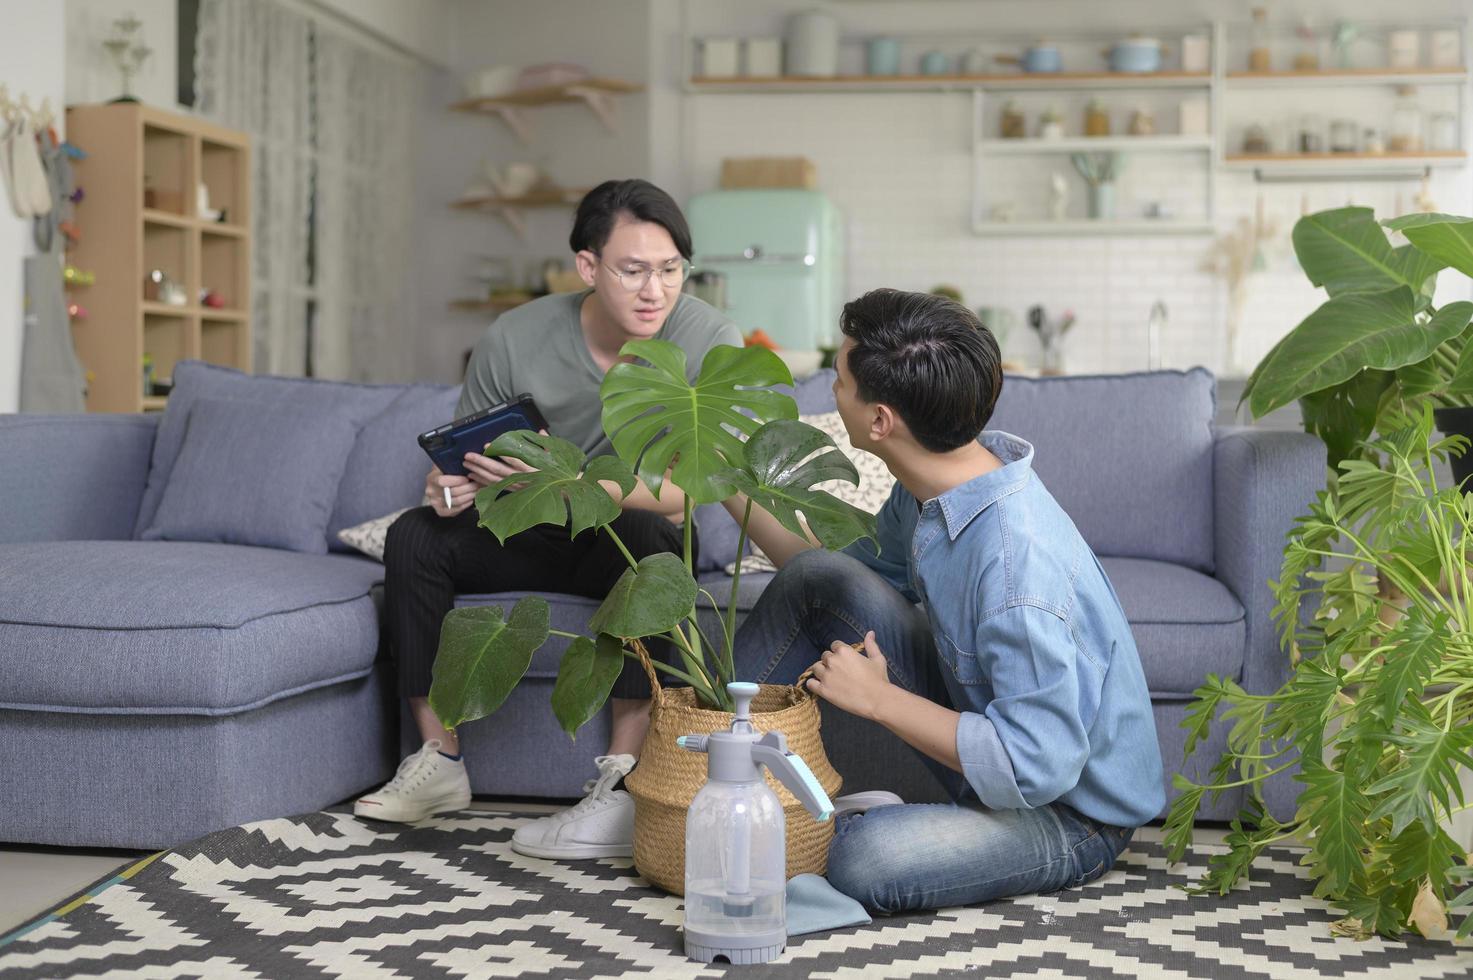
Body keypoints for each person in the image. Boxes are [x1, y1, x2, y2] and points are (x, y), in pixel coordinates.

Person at [728, 288, 1165, 912]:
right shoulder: (935, 485)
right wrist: (723, 480)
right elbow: (833, 572)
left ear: (880, 421)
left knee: (864, 859)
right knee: (819, 578)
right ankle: (700, 776)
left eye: (841, 378)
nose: (831, 387)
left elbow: (1037, 766)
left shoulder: (1018, 569)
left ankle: (869, 826)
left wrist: (880, 699)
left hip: (1067, 815)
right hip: (1002, 747)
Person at [355, 180, 742, 859]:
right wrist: (449, 490)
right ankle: (439, 759)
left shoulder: (707, 337)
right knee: (414, 536)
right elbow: (467, 461)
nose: (655, 290)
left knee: (651, 542)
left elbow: (692, 486)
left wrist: (575, 481)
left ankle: (620, 781)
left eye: (670, 269)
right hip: (526, 524)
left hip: (626, 527)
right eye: (632, 270)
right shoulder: (516, 336)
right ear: (588, 267)